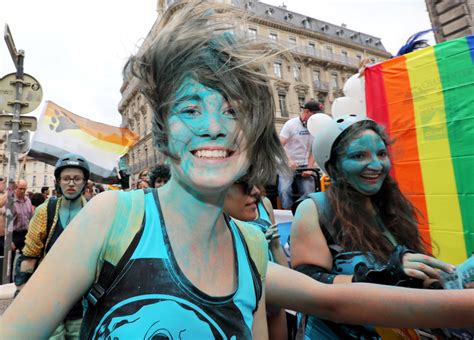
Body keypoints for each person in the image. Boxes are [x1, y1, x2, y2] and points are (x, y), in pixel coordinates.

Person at [2, 2, 474, 338]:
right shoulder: (115, 215)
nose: (212, 126)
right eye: (190, 108)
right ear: (163, 131)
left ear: (253, 134)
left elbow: (335, 301)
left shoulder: (251, 246)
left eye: (231, 109)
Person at [290, 114, 474, 339]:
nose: (376, 165)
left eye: (381, 154)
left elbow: (410, 274)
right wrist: (379, 277)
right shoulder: (315, 208)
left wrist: (445, 286)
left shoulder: (393, 206)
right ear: (334, 165)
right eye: (359, 155)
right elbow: (307, 285)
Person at [15, 154, 90, 339]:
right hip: (48, 298)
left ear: (84, 182)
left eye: (77, 178)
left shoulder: (93, 212)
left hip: (80, 301)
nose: (71, 183)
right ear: (58, 181)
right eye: (66, 178)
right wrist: (23, 291)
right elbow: (30, 255)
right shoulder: (44, 212)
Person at [224, 179, 288, 339]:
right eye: (243, 184)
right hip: (244, 295)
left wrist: (272, 246)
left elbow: (277, 247)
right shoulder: (222, 216)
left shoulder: (264, 204)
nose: (254, 191)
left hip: (274, 290)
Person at [278, 99, 323, 209]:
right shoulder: (290, 124)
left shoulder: (316, 126)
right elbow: (279, 145)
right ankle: (287, 213)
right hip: (288, 165)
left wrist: (310, 166)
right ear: (306, 112)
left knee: (309, 192)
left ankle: (302, 211)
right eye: (315, 114)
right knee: (284, 190)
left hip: (305, 165)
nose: (317, 118)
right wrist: (288, 160)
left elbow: (314, 149)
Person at [12, 179, 33, 252]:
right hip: (13, 235)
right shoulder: (10, 202)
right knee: (9, 261)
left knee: (26, 258)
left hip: (25, 234)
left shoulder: (28, 201)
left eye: (24, 189)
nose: (22, 191)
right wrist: (10, 241)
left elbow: (31, 218)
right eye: (20, 188)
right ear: (15, 188)